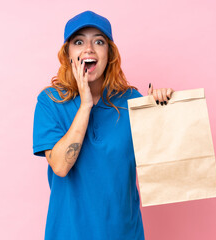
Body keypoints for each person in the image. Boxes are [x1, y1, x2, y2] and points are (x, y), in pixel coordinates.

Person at [33, 10, 174, 240]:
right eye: (79, 42)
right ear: (68, 53)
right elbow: (60, 166)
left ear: (109, 54)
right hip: (68, 234)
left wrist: (163, 108)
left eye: (99, 41)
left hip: (124, 234)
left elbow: (163, 164)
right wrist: (85, 104)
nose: (89, 49)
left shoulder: (131, 101)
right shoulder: (50, 102)